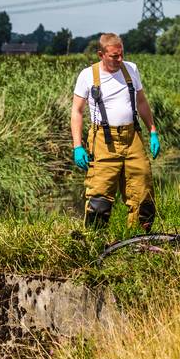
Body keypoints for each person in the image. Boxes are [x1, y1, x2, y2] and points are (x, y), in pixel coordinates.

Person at [70, 33, 160, 230]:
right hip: (103, 141)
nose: (120, 59)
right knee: (99, 199)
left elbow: (141, 102)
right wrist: (77, 146)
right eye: (114, 56)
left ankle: (138, 240)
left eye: (121, 54)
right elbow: (77, 111)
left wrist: (152, 131)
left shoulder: (131, 69)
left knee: (143, 192)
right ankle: (94, 241)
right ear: (101, 54)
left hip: (132, 137)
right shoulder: (87, 75)